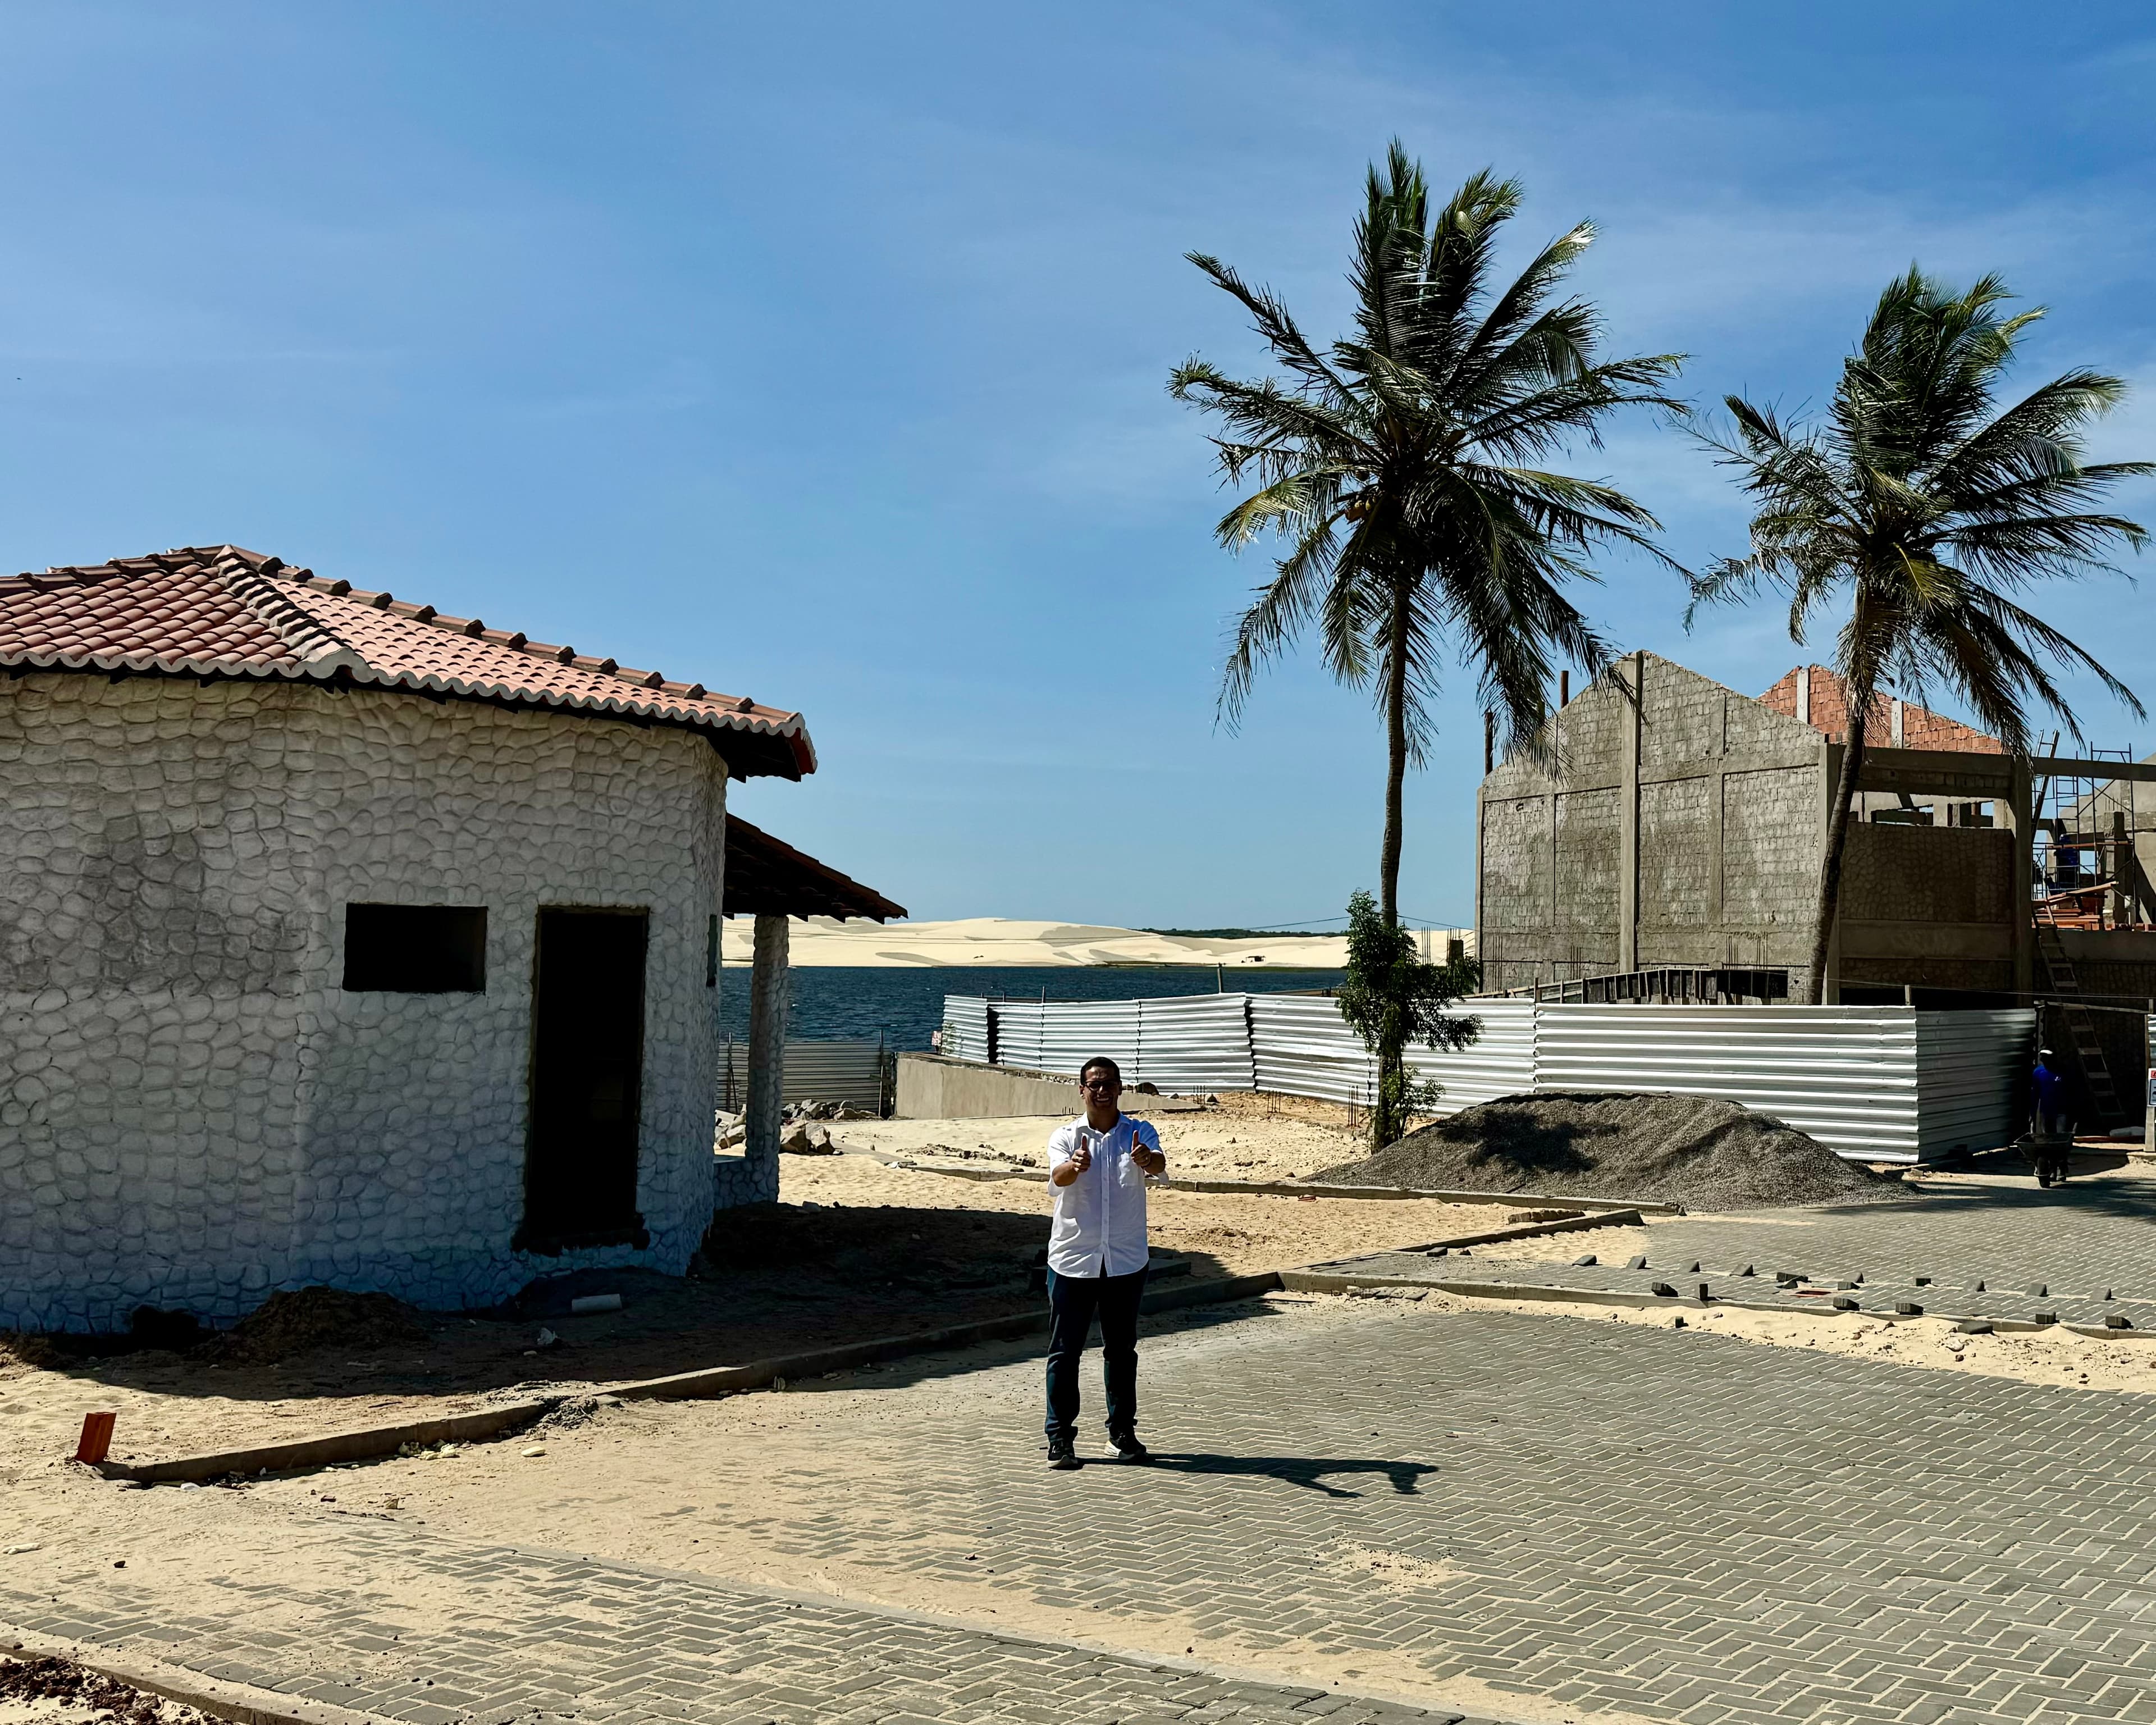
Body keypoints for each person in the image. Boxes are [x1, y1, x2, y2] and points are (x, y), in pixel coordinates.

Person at [1042, 1055, 1167, 1470]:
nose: (1102, 1090)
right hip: (1074, 1259)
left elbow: (1161, 1165)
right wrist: (1073, 1167)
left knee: (1121, 1350)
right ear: (1082, 1090)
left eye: (1110, 1083)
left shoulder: (1139, 1131)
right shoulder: (1065, 1135)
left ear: (1119, 1088)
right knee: (1065, 1351)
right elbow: (1056, 1179)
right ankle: (1060, 1438)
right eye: (1094, 1084)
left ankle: (1122, 1433)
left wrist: (1148, 1160)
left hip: (1125, 1260)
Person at [2031, 1048, 2072, 1187]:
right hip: (2046, 1113)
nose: (2045, 1061)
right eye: (2043, 1059)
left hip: (2062, 1112)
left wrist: (2074, 1113)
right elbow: (2035, 1095)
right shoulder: (2038, 1073)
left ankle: (2062, 1168)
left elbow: (2072, 1092)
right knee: (2048, 1143)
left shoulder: (2063, 1072)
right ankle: (2052, 1169)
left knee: (2060, 1141)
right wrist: (2032, 1114)